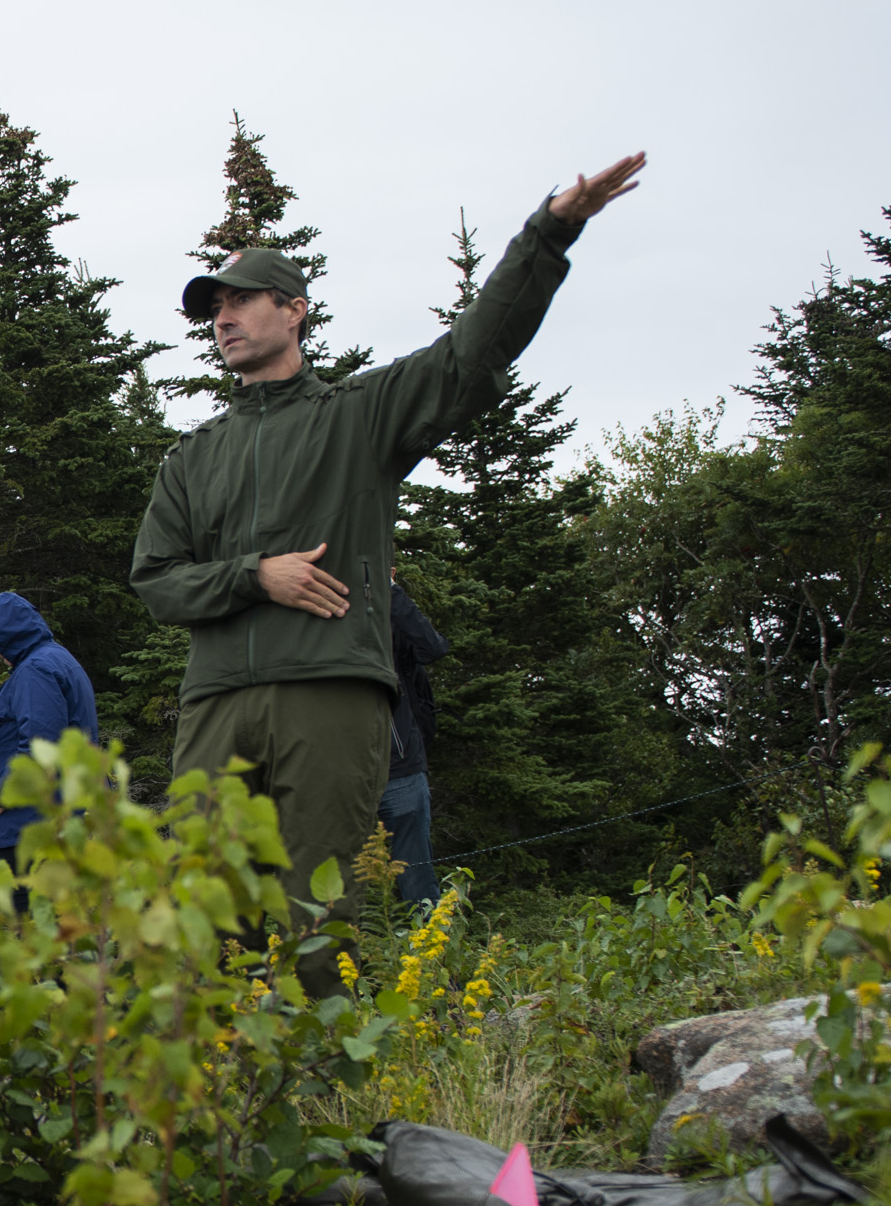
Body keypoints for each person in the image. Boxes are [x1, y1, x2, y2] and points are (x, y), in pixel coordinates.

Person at [130, 153, 644, 952]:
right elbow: (156, 580)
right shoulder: (191, 457)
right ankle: (216, 1074)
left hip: (330, 690)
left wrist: (550, 232)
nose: (223, 318)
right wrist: (255, 575)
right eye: (214, 308)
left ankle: (325, 1078)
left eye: (241, 301)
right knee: (201, 904)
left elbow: (472, 353)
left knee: (320, 909)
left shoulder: (358, 417)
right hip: (216, 700)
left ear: (294, 310)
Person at [0, 591, 99, 873]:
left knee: (25, 914)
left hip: (32, 825)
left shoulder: (36, 669)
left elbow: (41, 744)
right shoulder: (59, 660)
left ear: (11, 635)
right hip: (61, 816)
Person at [377, 577, 449, 908]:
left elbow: (432, 647)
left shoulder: (388, 611)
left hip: (400, 767)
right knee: (341, 885)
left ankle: (432, 958)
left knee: (417, 880)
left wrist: (389, 588)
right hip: (338, 772)